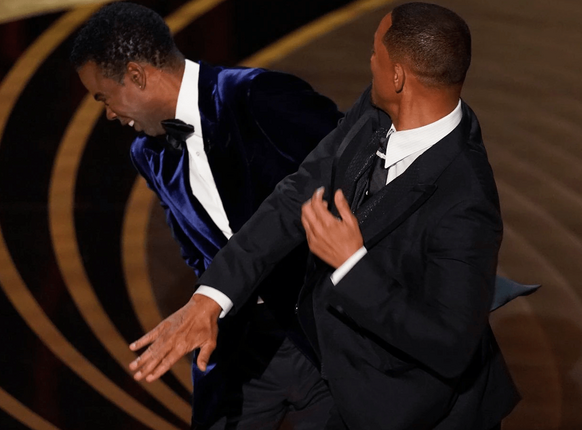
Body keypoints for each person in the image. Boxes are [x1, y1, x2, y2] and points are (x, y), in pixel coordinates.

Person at [128, 3, 527, 429]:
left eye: (376, 53)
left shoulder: (466, 198)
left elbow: (448, 344)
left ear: (398, 77)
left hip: (417, 413)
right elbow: (294, 196)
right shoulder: (377, 112)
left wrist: (352, 265)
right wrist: (212, 297)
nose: (368, 61)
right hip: (346, 382)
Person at [70, 3, 344, 429]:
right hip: (240, 346)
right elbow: (195, 249)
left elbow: (358, 175)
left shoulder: (257, 94)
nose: (108, 113)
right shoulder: (147, 154)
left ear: (138, 76)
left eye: (104, 97)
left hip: (325, 337)